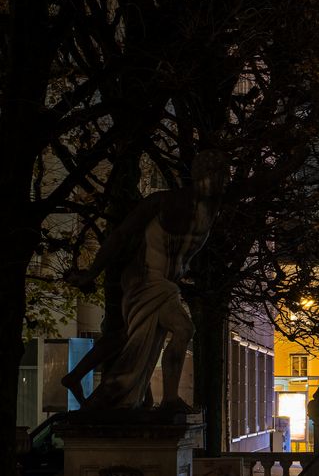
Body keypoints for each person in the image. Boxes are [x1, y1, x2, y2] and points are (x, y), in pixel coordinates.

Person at [64, 150, 228, 412]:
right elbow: (120, 235)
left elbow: (261, 183)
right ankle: (162, 399)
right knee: (180, 330)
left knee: (130, 338)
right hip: (144, 281)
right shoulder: (165, 202)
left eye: (222, 177)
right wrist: (92, 272)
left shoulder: (212, 207)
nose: (219, 183)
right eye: (214, 176)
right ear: (199, 176)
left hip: (162, 283)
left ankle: (90, 381)